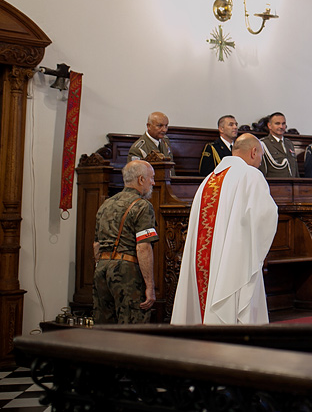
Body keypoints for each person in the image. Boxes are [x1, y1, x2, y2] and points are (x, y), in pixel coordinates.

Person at [172, 134, 278, 324]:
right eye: (261, 156)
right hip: (234, 264)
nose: (260, 162)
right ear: (254, 152)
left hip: (205, 263)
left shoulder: (208, 180)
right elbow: (264, 217)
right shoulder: (250, 175)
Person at [92, 160, 158, 324]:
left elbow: (96, 245)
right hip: (127, 272)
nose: (153, 182)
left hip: (101, 270)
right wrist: (150, 286)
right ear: (141, 179)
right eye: (151, 178)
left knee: (103, 330)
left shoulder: (106, 204)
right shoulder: (142, 206)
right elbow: (143, 247)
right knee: (131, 330)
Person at [261, 111, 298, 178]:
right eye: (277, 124)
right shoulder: (264, 144)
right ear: (269, 125)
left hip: (292, 185)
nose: (281, 126)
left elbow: (295, 169)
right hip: (275, 185)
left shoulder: (289, 143)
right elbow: (262, 170)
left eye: (283, 124)